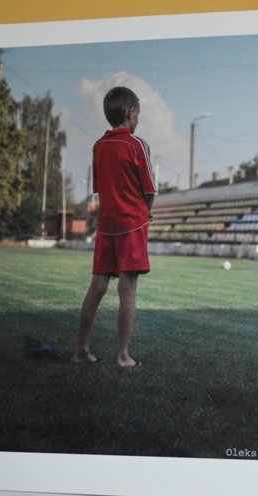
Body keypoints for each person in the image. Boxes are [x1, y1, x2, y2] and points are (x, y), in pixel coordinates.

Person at [71, 87, 157, 367]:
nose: (138, 118)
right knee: (127, 289)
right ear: (131, 112)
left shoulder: (99, 146)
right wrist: (147, 212)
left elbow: (100, 189)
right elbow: (149, 189)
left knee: (97, 286)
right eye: (138, 113)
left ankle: (80, 351)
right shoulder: (137, 144)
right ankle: (122, 355)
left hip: (107, 226)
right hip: (132, 224)